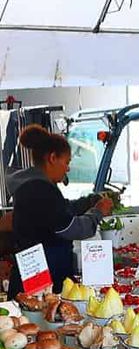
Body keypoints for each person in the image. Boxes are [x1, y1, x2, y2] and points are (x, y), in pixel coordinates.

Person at [8, 125, 114, 293]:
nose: (68, 168)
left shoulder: (34, 185)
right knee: (39, 315)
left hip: (37, 269)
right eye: (66, 162)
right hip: (42, 274)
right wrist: (98, 211)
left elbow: (61, 210)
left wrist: (89, 201)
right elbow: (73, 229)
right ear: (52, 158)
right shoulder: (40, 189)